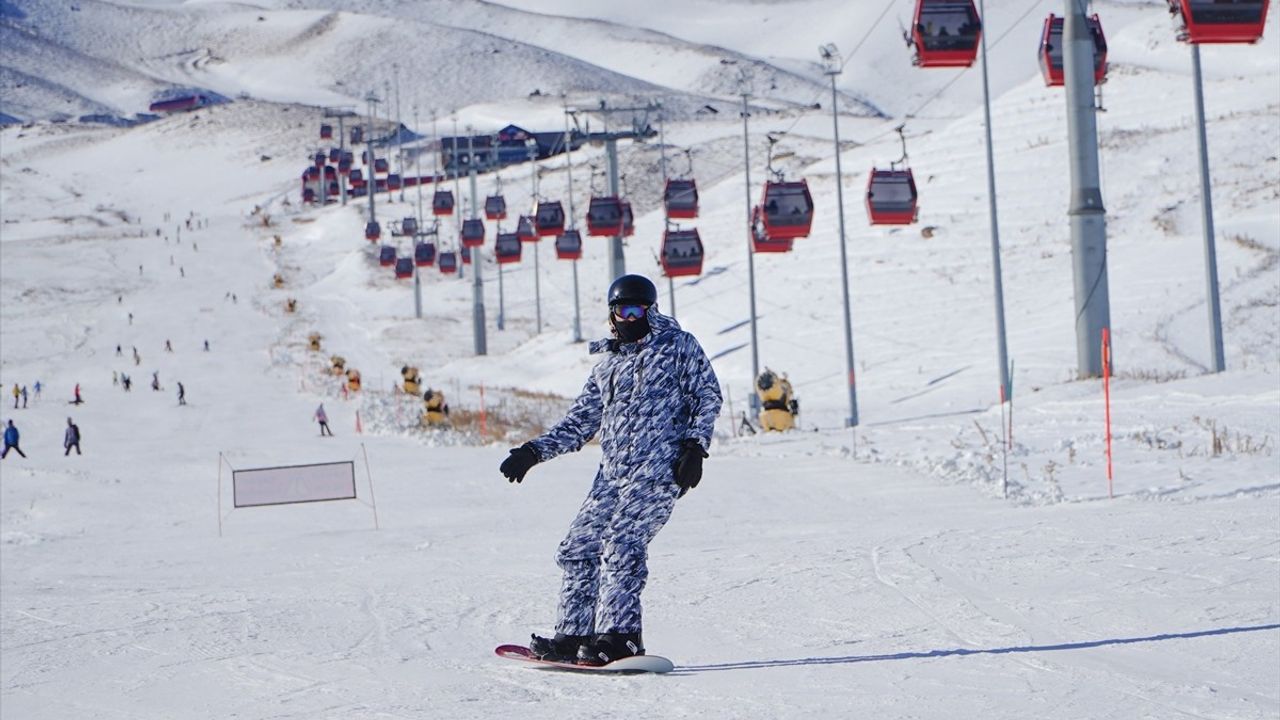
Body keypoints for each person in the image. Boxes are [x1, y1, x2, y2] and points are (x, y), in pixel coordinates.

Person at [499, 274, 722, 666]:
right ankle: (574, 635)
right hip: (612, 475)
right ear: (611, 315)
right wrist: (533, 452)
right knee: (578, 546)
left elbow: (707, 394)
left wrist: (695, 446)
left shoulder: (678, 347)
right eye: (622, 310)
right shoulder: (607, 367)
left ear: (651, 312)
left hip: (657, 470)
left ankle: (622, 637)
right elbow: (580, 424)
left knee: (622, 544)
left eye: (637, 310)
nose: (629, 317)